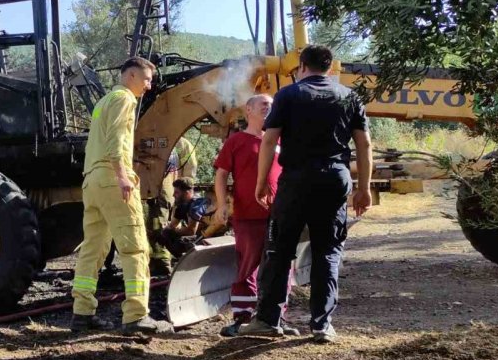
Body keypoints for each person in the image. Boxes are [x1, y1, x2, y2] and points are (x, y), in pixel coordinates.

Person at [238, 45, 373, 343]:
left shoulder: (288, 94)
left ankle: (267, 320)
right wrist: (364, 188)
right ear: (329, 68)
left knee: (279, 249)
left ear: (301, 66)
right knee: (327, 250)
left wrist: (262, 182)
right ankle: (322, 325)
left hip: (296, 180)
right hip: (335, 180)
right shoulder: (349, 96)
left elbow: (270, 138)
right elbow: (363, 145)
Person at [71, 56, 174, 335]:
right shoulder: (124, 99)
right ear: (130, 76)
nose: (149, 86)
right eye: (147, 79)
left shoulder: (103, 102)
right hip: (111, 178)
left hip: (91, 181)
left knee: (92, 249)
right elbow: (116, 139)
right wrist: (122, 176)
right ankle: (136, 315)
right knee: (136, 248)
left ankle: (81, 313)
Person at [212, 94, 298, 337]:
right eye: (264, 105)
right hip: (247, 215)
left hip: (279, 215)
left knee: (282, 266)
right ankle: (242, 318)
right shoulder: (236, 141)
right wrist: (221, 205)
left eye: (272, 106)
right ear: (248, 110)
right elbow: (221, 175)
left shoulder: (282, 141)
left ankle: (276, 317)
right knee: (248, 266)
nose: (269, 109)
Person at [147, 137, 198, 276]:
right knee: (160, 223)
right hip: (170, 189)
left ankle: (162, 263)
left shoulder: (177, 143)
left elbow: (189, 170)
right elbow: (190, 168)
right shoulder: (181, 143)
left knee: (160, 224)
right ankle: (158, 260)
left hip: (166, 188)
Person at [156, 177, 222, 259]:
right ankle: (183, 258)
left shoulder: (195, 205)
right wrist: (169, 228)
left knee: (172, 237)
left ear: (187, 193)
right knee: (165, 233)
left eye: (177, 192)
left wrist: (173, 229)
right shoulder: (184, 205)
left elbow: (191, 231)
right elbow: (172, 225)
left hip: (209, 237)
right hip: (202, 236)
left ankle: (188, 259)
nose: (173, 195)